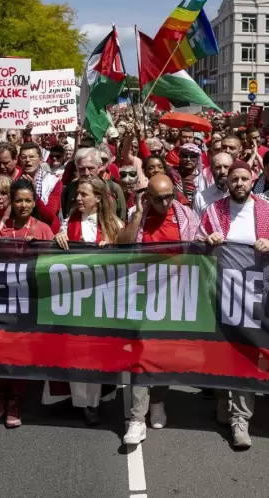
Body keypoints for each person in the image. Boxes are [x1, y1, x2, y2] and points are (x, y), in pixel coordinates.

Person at [198, 160, 269, 451]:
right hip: (220, 294)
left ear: (252, 181)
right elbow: (196, 241)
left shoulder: (267, 212)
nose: (239, 184)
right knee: (223, 353)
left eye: (244, 179)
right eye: (234, 179)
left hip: (255, 297)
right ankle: (224, 398)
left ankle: (241, 419)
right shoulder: (214, 211)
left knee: (246, 356)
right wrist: (208, 240)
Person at [115, 174, 198, 445]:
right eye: (159, 198)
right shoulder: (137, 215)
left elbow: (198, 251)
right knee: (141, 352)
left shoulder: (186, 216)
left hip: (175, 296)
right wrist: (139, 214)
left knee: (165, 353)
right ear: (147, 197)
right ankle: (137, 418)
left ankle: (158, 402)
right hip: (143, 294)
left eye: (169, 196)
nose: (165, 203)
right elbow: (122, 242)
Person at [52, 177, 122, 425]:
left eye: (84, 194)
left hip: (102, 297)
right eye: (78, 194)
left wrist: (113, 247)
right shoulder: (70, 220)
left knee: (95, 351)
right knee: (75, 349)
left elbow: (127, 254)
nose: (78, 198)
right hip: (74, 295)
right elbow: (58, 246)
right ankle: (78, 399)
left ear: (98, 198)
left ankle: (92, 402)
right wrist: (59, 238)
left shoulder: (114, 224)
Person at [0, 179, 52, 429]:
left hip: (30, 298)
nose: (23, 205)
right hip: (3, 296)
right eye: (18, 200)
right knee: (0, 345)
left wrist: (39, 249)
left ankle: (15, 398)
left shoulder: (43, 229)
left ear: (34, 203)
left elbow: (53, 263)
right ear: (11, 203)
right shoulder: (0, 227)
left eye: (28, 200)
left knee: (21, 348)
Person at [193, 151, 232, 218]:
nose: (222, 171)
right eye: (218, 167)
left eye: (226, 167)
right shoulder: (201, 198)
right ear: (211, 169)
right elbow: (195, 223)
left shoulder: (242, 195)